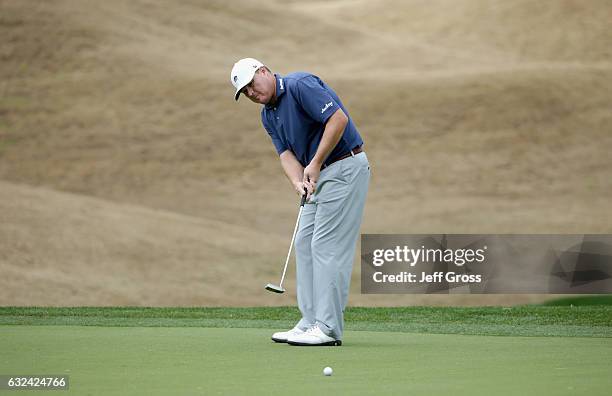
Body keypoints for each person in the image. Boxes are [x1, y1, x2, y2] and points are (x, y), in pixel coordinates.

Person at [230, 58, 370, 346]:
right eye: (246, 93)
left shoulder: (300, 85)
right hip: (317, 178)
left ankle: (328, 328)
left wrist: (316, 162)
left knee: (325, 246)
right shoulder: (267, 115)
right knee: (304, 242)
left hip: (344, 167)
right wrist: (298, 182)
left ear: (264, 72)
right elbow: (285, 155)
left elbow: (338, 119)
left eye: (252, 85)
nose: (252, 94)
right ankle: (310, 322)